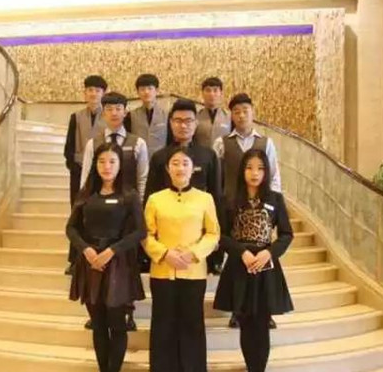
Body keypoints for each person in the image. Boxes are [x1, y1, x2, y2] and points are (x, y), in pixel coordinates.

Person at [66, 142, 146, 372]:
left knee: (117, 324)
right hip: (90, 263)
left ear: (120, 165)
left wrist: (112, 251)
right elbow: (71, 228)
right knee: (98, 325)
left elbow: (140, 231)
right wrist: (86, 249)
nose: (106, 166)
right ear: (95, 164)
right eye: (101, 161)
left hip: (117, 264)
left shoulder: (129, 195)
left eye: (112, 161)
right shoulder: (86, 194)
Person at [213, 149, 294, 372]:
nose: (255, 173)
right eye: (249, 167)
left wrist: (269, 252)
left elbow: (286, 234)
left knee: (261, 326)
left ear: (266, 172)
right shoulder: (230, 199)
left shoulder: (275, 199)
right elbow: (221, 236)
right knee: (246, 324)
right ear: (242, 171)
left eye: (260, 168)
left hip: (265, 267)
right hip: (240, 266)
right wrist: (242, 252)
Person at [144, 146, 220, 372]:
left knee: (192, 329)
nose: (180, 168)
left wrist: (193, 253)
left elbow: (213, 234)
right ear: (168, 169)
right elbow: (146, 234)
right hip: (162, 272)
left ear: (193, 169)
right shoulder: (155, 199)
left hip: (193, 273)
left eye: (185, 163)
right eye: (175, 163)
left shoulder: (205, 198)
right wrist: (164, 253)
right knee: (163, 328)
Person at [212, 93, 282, 329]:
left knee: (263, 257)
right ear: (231, 115)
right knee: (235, 259)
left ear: (253, 112)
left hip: (261, 207)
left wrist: (273, 204)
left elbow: (274, 175)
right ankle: (236, 309)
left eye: (245, 110)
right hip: (233, 206)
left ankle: (265, 310)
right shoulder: (222, 143)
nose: (241, 115)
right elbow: (217, 177)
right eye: (237, 112)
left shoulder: (266, 143)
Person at [80, 91, 148, 332]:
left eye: (118, 108)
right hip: (101, 212)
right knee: (99, 261)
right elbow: (86, 177)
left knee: (126, 263)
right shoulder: (93, 143)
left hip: (128, 212)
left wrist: (138, 208)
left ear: (125, 112)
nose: (114, 113)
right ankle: (97, 308)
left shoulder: (138, 142)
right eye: (109, 108)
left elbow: (142, 178)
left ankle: (127, 311)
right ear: (103, 112)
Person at [144, 98, 222, 275]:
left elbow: (216, 196)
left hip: (198, 239)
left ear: (196, 123)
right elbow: (150, 196)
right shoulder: (159, 157)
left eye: (188, 121)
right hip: (165, 239)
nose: (183, 125)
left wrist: (216, 246)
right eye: (178, 121)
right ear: (171, 123)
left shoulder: (208, 156)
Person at [63, 75, 108, 276]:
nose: (93, 94)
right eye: (90, 90)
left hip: (103, 173)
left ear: (103, 93)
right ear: (85, 93)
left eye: (97, 90)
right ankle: (75, 260)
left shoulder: (109, 115)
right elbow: (69, 147)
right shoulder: (76, 116)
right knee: (77, 216)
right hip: (79, 172)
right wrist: (75, 168)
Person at [124, 73, 168, 158]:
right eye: (142, 89)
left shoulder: (167, 114)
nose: (146, 92)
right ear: (138, 92)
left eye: (150, 88)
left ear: (157, 90)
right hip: (138, 158)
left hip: (161, 159)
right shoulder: (131, 115)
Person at [194, 77, 232, 148]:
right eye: (208, 90)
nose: (211, 94)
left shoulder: (230, 117)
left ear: (221, 93)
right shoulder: (196, 116)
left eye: (215, 90)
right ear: (202, 93)